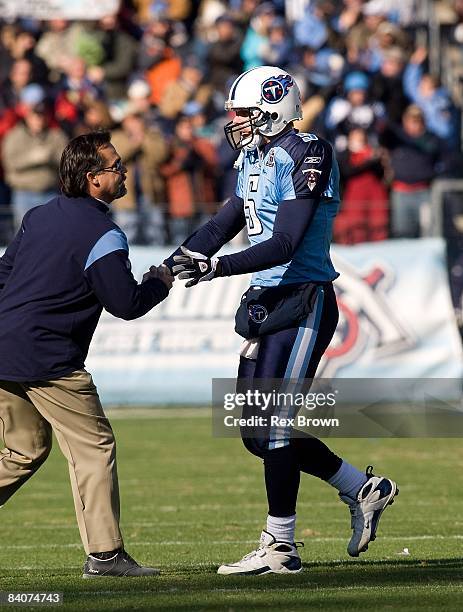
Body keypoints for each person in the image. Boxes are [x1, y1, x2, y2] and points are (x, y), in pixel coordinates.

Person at [166, 66, 398, 575]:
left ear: (274, 107)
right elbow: (224, 221)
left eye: (246, 114)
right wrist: (171, 265)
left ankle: (281, 547)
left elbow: (287, 239)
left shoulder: (308, 151)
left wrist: (219, 266)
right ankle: (362, 488)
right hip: (265, 299)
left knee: (273, 427)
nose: (238, 124)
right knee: (255, 432)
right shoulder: (255, 153)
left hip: (302, 298)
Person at [0, 130, 173, 578]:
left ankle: (106, 555)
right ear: (94, 179)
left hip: (5, 350)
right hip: (49, 361)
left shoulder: (38, 216)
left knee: (23, 450)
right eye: (116, 166)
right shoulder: (104, 233)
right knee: (94, 449)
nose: (124, 170)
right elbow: (126, 304)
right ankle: (106, 556)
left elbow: (3, 274)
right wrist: (161, 280)